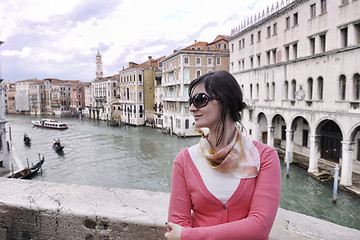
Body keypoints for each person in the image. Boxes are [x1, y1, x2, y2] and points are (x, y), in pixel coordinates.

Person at [164, 71, 281, 240]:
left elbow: (259, 227)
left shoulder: (265, 157)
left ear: (225, 101)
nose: (191, 108)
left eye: (200, 100)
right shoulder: (184, 160)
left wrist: (188, 235)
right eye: (191, 101)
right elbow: (175, 226)